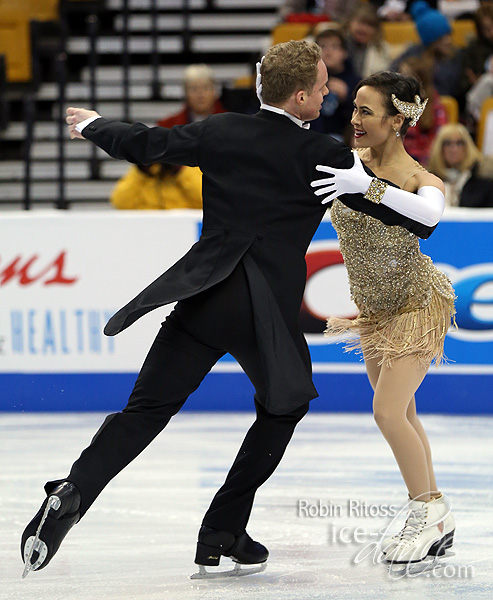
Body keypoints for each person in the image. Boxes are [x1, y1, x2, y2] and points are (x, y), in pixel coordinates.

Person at [21, 41, 427, 579]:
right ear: (302, 96)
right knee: (284, 406)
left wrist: (95, 124)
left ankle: (74, 490)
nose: (331, 92)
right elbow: (411, 220)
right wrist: (398, 187)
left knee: (146, 410)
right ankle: (223, 528)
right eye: (325, 86)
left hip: (206, 296)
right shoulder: (323, 155)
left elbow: (147, 144)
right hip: (265, 314)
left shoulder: (221, 130)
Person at [311, 71, 456, 565]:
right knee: (405, 413)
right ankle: (436, 516)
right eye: (353, 108)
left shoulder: (420, 179)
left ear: (397, 120)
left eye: (366, 111)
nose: (354, 119)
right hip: (376, 312)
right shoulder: (346, 165)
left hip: (418, 305)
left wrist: (368, 187)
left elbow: (428, 217)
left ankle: (427, 509)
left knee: (387, 412)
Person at [110, 64, 224, 210]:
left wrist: (179, 168)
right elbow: (118, 200)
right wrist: (143, 169)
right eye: (194, 89)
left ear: (215, 91)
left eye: (205, 88)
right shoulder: (167, 125)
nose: (200, 94)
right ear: (186, 93)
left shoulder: (229, 125)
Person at [390, 1, 463, 100]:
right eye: (441, 38)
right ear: (430, 41)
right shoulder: (415, 53)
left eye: (448, 35)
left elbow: (453, 90)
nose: (448, 41)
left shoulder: (455, 55)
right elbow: (391, 72)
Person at [310, 28, 361, 141]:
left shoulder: (356, 82)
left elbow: (362, 117)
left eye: (334, 47)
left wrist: (347, 97)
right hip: (315, 138)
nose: (328, 52)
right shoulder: (308, 80)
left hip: (346, 139)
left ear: (345, 52)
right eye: (322, 46)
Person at [398, 54, 448, 165]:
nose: (400, 81)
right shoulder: (393, 102)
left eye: (406, 77)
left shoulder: (433, 105)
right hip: (398, 160)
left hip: (424, 162)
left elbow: (438, 140)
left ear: (421, 81)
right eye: (399, 75)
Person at [428, 122, 493, 207]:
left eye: (459, 143)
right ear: (440, 148)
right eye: (448, 143)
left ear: (467, 147)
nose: (454, 149)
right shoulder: (429, 180)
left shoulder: (481, 179)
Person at [342, 4, 392, 79]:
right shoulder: (339, 42)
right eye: (361, 23)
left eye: (370, 25)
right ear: (350, 22)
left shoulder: (383, 49)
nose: (364, 28)